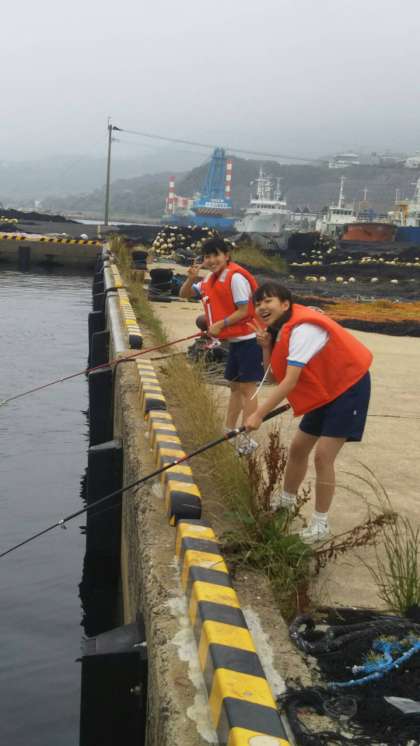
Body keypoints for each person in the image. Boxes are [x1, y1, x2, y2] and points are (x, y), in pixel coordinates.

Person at [244, 281, 372, 543]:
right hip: (324, 389)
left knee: (323, 457)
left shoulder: (304, 328)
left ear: (285, 304)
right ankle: (286, 504)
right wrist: (266, 347)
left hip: (349, 386)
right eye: (257, 303)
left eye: (268, 301)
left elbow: (290, 382)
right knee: (298, 448)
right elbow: (274, 376)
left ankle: (320, 524)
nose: (262, 307)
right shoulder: (279, 329)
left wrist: (258, 414)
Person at [180, 236, 264, 455]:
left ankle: (246, 439)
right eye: (207, 256)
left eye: (215, 255)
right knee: (234, 387)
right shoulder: (209, 278)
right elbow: (184, 294)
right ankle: (229, 431)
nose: (211, 260)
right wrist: (190, 279)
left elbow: (245, 310)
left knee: (248, 389)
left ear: (226, 255)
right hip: (235, 342)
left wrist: (221, 324)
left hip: (250, 340)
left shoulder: (235, 278)